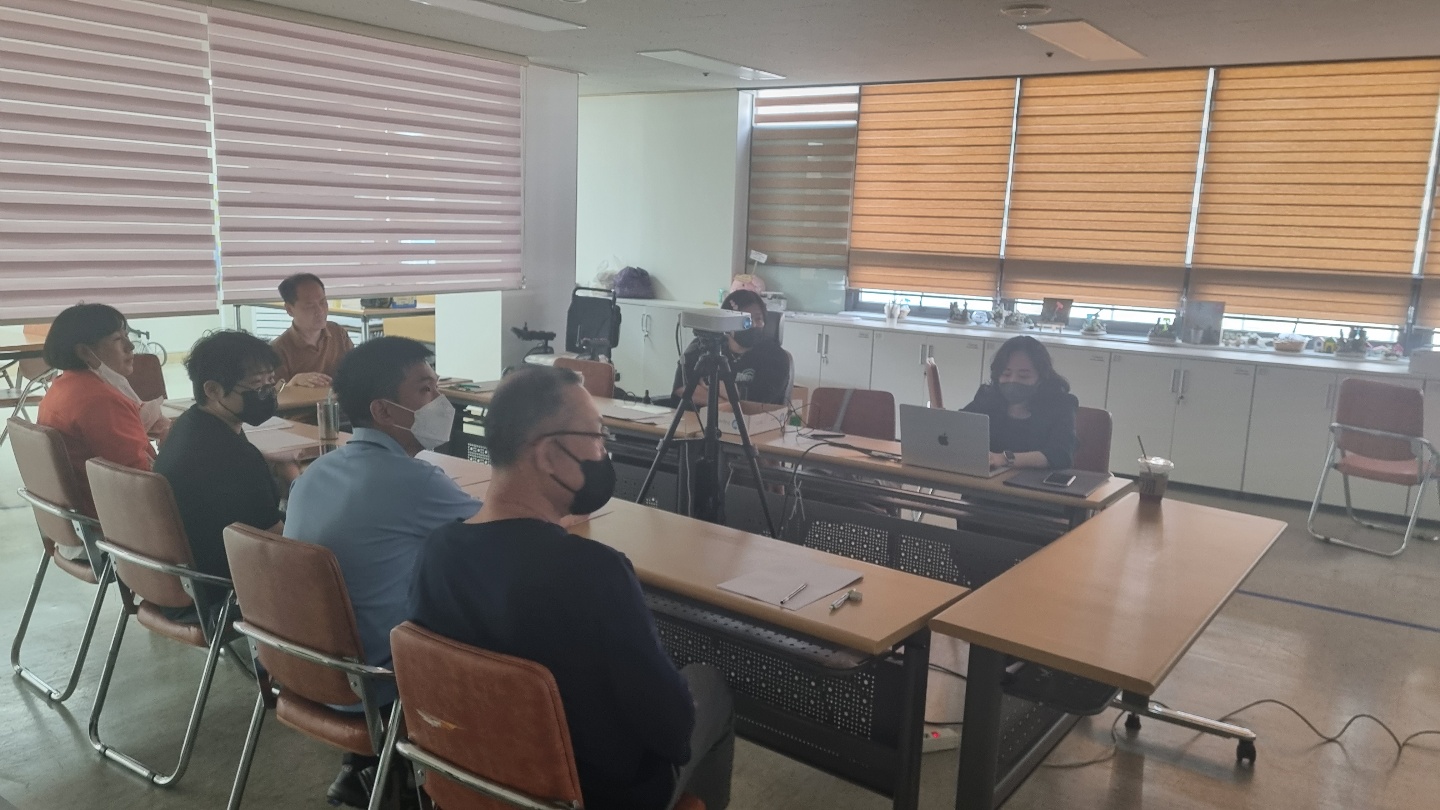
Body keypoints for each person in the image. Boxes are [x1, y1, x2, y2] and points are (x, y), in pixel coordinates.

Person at [411, 366, 734, 810]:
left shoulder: (436, 551)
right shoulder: (595, 572)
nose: (604, 451)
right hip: (593, 795)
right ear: (547, 454)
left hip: (475, 776)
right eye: (597, 436)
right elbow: (673, 732)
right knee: (709, 687)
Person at [284, 336, 479, 808]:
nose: (440, 401)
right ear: (384, 410)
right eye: (425, 389)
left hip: (302, 668)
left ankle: (368, 768)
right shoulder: (415, 481)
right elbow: (500, 534)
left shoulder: (316, 472)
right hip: (377, 681)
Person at [153, 331, 283, 621]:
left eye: (270, 382)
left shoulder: (189, 424)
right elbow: (274, 542)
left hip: (178, 583)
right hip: (222, 593)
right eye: (256, 384)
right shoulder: (232, 456)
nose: (267, 393)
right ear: (212, 389)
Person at [36, 303, 167, 523]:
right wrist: (172, 449)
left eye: (127, 336)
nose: (130, 347)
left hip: (89, 512)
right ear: (84, 352)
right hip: (123, 520)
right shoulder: (100, 400)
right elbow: (140, 482)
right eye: (117, 339)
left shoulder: (62, 386)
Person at [963, 335, 1078, 470]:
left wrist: (1003, 459)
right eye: (1006, 374)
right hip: (987, 480)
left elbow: (1060, 454)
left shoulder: (1061, 404)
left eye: (1023, 376)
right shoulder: (987, 397)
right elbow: (958, 426)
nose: (1013, 380)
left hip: (1033, 481)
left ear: (1041, 377)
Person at [672, 289, 791, 407]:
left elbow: (755, 400)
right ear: (727, 322)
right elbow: (681, 388)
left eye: (758, 318)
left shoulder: (775, 357)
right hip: (697, 417)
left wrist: (711, 386)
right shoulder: (706, 344)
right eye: (746, 320)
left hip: (753, 419)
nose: (754, 324)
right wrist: (725, 403)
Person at [271, 272, 354, 387]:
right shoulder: (278, 350)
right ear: (289, 309)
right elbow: (275, 394)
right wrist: (293, 382)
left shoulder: (338, 333)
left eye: (323, 302)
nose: (320, 310)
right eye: (309, 305)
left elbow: (356, 370)